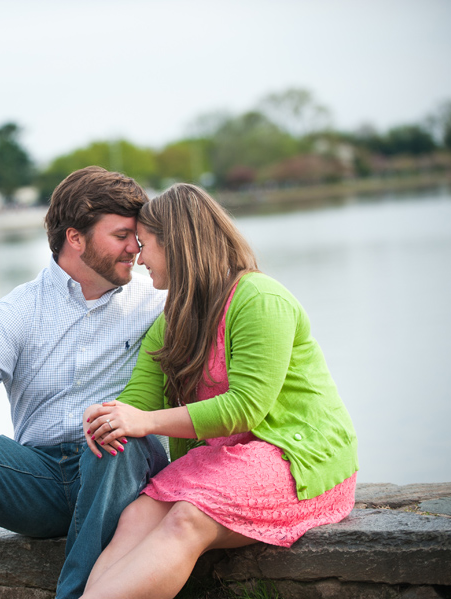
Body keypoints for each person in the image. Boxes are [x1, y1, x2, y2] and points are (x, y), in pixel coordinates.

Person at [81, 183, 358, 599]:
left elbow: (245, 408)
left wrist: (144, 422)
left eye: (146, 244)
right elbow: (140, 400)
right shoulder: (171, 321)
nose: (139, 258)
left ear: (177, 243)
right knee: (137, 515)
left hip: (296, 457)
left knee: (187, 519)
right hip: (226, 461)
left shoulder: (259, 299)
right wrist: (109, 417)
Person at [0, 166, 169, 599]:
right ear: (75, 238)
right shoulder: (20, 309)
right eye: (122, 235)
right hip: (42, 480)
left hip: (120, 475)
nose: (136, 248)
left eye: (137, 237)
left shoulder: (157, 302)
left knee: (112, 433)